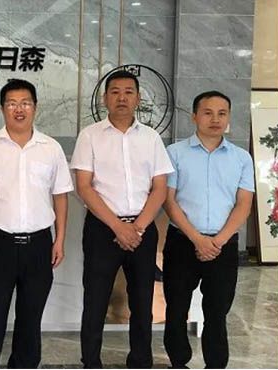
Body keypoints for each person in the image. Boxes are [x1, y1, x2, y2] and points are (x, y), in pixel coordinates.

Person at [0, 79, 72, 368]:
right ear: (2, 109)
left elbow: (60, 196)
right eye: (12, 104)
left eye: (25, 103)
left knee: (30, 319)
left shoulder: (51, 148)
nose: (19, 109)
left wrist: (59, 239)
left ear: (35, 107)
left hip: (39, 244)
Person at [70, 70, 174, 368]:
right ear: (105, 99)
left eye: (129, 92)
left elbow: (160, 187)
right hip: (103, 230)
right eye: (115, 92)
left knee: (141, 301)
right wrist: (118, 227)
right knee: (95, 301)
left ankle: (140, 361)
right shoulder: (90, 136)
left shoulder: (151, 138)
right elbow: (84, 187)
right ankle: (91, 362)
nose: (122, 98)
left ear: (138, 98)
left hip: (142, 230)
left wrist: (137, 228)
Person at [163, 91, 254, 369]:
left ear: (228, 117)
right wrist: (197, 239)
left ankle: (215, 364)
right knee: (176, 308)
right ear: (194, 116)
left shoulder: (241, 158)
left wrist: (217, 241)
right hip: (182, 242)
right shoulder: (174, 153)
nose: (215, 119)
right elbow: (168, 201)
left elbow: (243, 204)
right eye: (208, 113)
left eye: (222, 113)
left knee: (217, 311)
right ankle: (179, 361)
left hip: (223, 245)